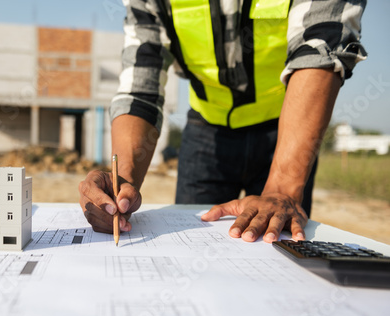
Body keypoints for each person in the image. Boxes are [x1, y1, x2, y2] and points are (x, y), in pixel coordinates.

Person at [79, 0, 367, 242]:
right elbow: (140, 87)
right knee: (194, 243)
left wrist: (282, 189)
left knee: (275, 237)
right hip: (206, 126)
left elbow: (320, 46)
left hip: (288, 129)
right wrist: (123, 184)